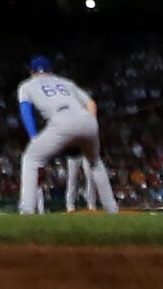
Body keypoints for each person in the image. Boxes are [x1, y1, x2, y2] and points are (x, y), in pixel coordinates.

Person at [16, 56, 117, 215]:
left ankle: (27, 211)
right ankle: (112, 210)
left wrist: (33, 136)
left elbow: (25, 111)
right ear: (50, 71)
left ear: (31, 72)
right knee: (96, 163)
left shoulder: (26, 85)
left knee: (31, 159)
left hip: (61, 121)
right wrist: (88, 129)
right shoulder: (66, 82)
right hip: (87, 120)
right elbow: (91, 104)